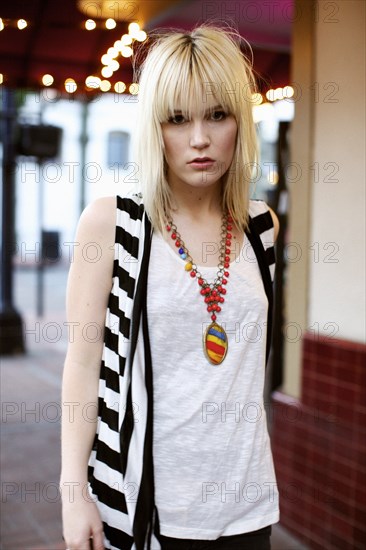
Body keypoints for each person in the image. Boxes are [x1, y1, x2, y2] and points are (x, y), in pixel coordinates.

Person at [60, 24, 280, 550]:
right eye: (178, 119)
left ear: (239, 123)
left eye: (217, 115)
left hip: (249, 506)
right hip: (148, 509)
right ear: (154, 129)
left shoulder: (261, 226)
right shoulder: (114, 224)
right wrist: (73, 490)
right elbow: (83, 362)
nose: (199, 139)